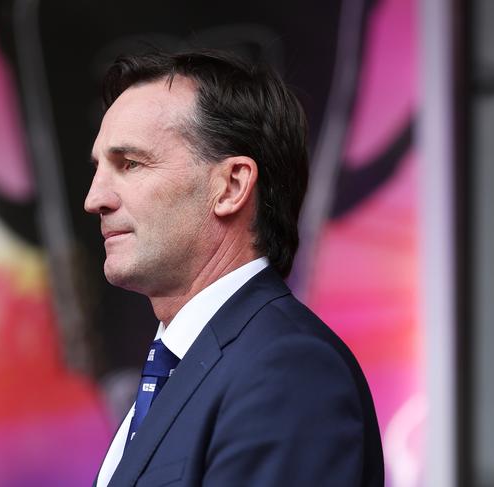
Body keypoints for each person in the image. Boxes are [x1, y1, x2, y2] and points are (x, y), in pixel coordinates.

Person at [84, 49, 384, 486]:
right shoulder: (186, 366)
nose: (95, 199)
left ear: (231, 186)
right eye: (99, 169)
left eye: (130, 164)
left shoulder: (289, 370)